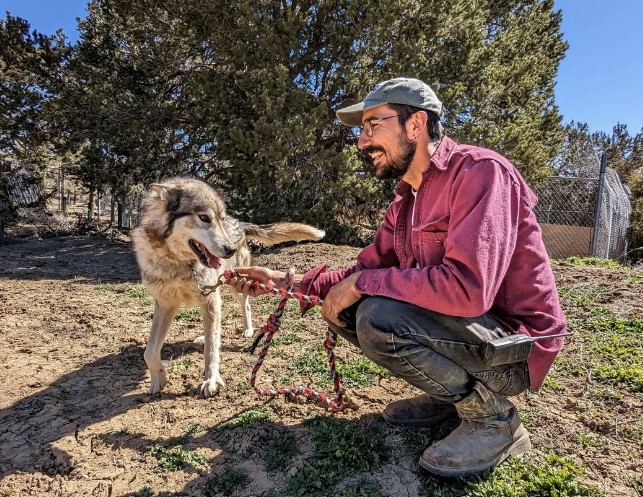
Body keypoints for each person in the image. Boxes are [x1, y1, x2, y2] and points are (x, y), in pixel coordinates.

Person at [229, 77, 566, 477]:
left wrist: (359, 286)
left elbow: (467, 291)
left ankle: (495, 422)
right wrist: (285, 282)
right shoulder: (406, 200)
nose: (361, 142)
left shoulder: (481, 173)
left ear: (415, 124)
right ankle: (451, 400)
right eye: (361, 130)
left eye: (373, 125)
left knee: (377, 315)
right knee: (351, 309)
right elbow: (363, 271)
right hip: (470, 337)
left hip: (512, 350)